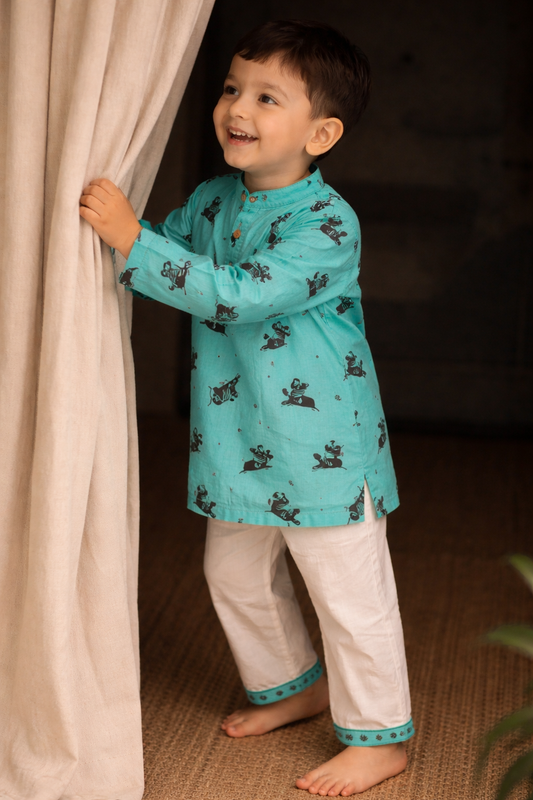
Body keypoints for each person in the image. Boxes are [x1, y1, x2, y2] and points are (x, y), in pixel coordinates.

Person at [79, 19, 414, 796]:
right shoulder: (212, 198)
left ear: (321, 133)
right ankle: (295, 684)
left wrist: (133, 241)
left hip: (321, 447)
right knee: (231, 573)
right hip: (239, 439)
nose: (238, 107)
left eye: (268, 97)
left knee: (350, 597)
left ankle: (378, 737)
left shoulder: (326, 224)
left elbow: (235, 295)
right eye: (233, 88)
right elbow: (160, 255)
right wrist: (115, 244)